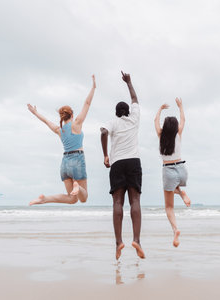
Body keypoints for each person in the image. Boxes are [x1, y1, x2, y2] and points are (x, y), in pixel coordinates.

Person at [27, 75, 96, 205]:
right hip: (77, 160)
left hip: (64, 164)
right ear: (72, 114)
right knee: (83, 198)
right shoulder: (76, 124)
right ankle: (78, 187)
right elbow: (87, 103)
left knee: (72, 199)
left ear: (62, 117)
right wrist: (93, 87)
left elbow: (46, 121)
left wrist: (35, 113)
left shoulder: (60, 130)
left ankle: (45, 199)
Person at [100, 71, 145, 260]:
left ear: (116, 113)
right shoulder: (134, 119)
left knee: (117, 203)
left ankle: (119, 242)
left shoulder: (112, 122)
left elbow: (103, 132)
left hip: (117, 163)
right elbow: (134, 97)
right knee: (135, 201)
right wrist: (129, 82)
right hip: (133, 162)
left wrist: (105, 155)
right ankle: (137, 240)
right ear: (127, 111)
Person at [154, 97, 191, 247]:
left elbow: (155, 120)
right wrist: (180, 106)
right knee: (173, 186)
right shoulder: (178, 134)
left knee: (169, 207)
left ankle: (175, 229)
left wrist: (160, 109)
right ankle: (181, 191)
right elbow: (184, 119)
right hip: (182, 169)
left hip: (168, 170)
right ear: (175, 127)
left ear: (165, 126)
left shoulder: (160, 135)